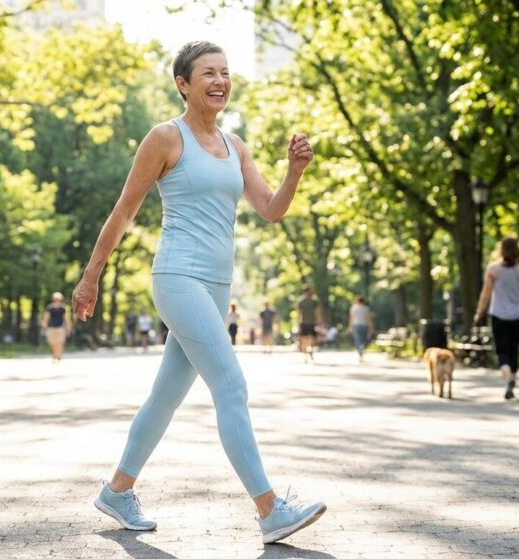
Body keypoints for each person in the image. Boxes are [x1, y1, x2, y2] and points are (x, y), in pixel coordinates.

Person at [70, 41, 325, 544]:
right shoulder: (166, 137)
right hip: (178, 277)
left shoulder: (236, 146)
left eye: (225, 73)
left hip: (215, 286)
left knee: (165, 397)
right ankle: (270, 508)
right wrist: (90, 275)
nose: (219, 81)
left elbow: (271, 209)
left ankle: (118, 490)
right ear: (183, 84)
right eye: (207, 73)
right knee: (231, 386)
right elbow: (124, 212)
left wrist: (294, 172)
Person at [473, 237, 519, 400]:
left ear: (501, 250)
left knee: (502, 350)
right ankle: (513, 380)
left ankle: (507, 376)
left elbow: (486, 293)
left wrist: (479, 312)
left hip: (499, 315)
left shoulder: (493, 269)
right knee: (514, 349)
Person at [43, 292, 71, 362]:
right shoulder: (50, 308)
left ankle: (59, 355)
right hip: (51, 328)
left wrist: (68, 326)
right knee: (52, 342)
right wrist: (44, 324)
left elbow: (66, 318)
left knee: (60, 342)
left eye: (58, 298)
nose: (57, 300)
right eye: (55, 298)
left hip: (60, 327)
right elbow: (46, 317)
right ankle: (54, 355)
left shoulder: (62, 308)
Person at [297, 285, 322, 363]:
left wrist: (319, 321)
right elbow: (299, 313)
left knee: (310, 339)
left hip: (310, 322)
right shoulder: (302, 301)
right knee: (306, 339)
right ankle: (306, 354)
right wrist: (298, 323)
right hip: (306, 322)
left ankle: (309, 351)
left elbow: (317, 312)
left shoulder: (313, 301)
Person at [348, 296, 374, 362]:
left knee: (357, 340)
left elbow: (351, 318)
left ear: (357, 301)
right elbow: (368, 319)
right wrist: (371, 328)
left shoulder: (353, 308)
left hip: (356, 325)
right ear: (364, 301)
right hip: (364, 325)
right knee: (363, 339)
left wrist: (350, 327)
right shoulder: (366, 308)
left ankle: (360, 351)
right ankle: (361, 347)